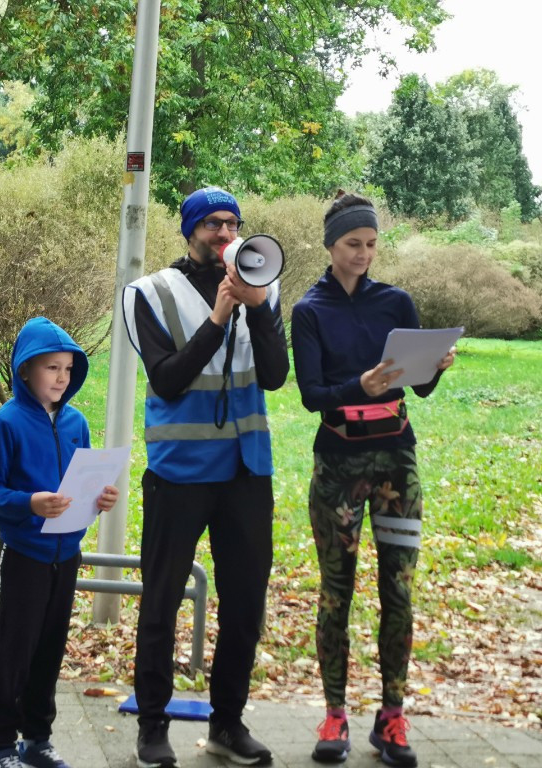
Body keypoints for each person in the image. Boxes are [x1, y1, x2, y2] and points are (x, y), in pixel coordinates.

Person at [121, 187, 289, 768]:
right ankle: (152, 725)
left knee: (245, 604)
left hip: (246, 470)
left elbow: (274, 376)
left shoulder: (261, 288)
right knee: (161, 603)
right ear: (190, 231)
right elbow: (167, 379)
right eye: (213, 224)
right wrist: (219, 318)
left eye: (233, 224)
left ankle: (227, 724)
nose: (225, 234)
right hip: (180, 474)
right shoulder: (148, 294)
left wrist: (260, 309)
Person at [290, 192, 455, 768]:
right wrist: (358, 387)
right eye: (352, 244)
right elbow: (311, 396)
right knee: (337, 593)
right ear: (331, 244)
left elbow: (421, 388)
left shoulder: (396, 303)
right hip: (337, 466)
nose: (363, 254)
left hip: (396, 462)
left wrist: (434, 367)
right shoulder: (309, 309)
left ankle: (392, 716)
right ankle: (334, 714)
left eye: (370, 244)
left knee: (399, 592)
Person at [0, 317, 119, 768]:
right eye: (52, 368)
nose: (62, 378)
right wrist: (29, 503)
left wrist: (102, 497)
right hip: (23, 556)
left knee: (50, 648)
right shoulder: (6, 423)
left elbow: (85, 479)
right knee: (15, 650)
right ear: (24, 371)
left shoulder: (76, 422)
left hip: (66, 554)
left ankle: (37, 739)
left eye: (68, 369)